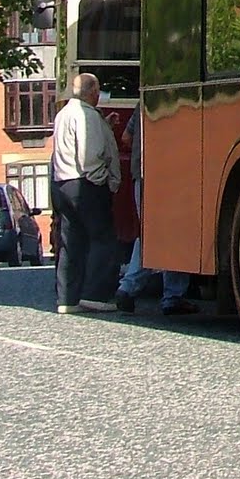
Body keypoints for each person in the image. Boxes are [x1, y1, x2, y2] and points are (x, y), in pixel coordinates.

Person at [50, 72, 122, 313]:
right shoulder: (86, 115)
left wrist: (105, 126)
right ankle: (96, 295)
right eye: (98, 91)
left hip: (62, 183)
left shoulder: (63, 114)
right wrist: (103, 180)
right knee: (103, 238)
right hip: (85, 184)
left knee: (71, 242)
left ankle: (67, 299)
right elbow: (89, 155)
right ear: (93, 92)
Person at [114, 105, 197, 315]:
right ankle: (171, 296)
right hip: (172, 174)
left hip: (141, 175)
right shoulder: (182, 102)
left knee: (150, 233)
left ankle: (130, 287)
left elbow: (126, 137)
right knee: (177, 233)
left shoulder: (142, 104)